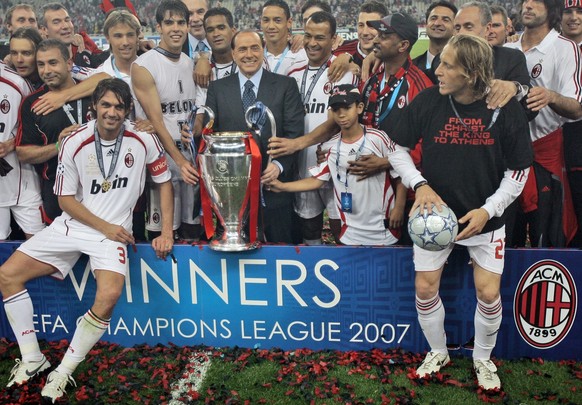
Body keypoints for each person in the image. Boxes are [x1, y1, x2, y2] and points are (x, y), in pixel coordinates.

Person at [0, 78, 173, 402]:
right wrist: (105, 227)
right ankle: (32, 359)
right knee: (7, 275)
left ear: (127, 110)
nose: (111, 112)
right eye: (105, 105)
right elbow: (65, 201)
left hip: (112, 234)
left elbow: (164, 182)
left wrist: (166, 232)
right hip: (75, 224)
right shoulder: (74, 141)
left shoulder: (144, 139)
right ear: (94, 106)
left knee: (108, 296)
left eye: (119, 107)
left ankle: (63, 371)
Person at [386, 35, 533, 391]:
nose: (437, 70)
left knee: (487, 293)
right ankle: (438, 351)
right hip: (433, 217)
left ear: (470, 73)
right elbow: (395, 147)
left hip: (486, 217)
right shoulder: (429, 101)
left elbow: (518, 171)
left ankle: (482, 357)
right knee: (424, 288)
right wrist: (420, 184)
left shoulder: (505, 107)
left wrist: (487, 211)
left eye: (448, 65)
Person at [205, 30, 304, 243]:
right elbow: (211, 137)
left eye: (254, 48)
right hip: (233, 194)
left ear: (263, 50)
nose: (249, 54)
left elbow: (295, 134)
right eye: (242, 49)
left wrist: (278, 165)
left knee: (279, 251)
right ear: (233, 53)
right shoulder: (217, 89)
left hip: (274, 188)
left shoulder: (286, 85)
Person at [268, 84, 398, 246]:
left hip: (382, 225)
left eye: (346, 108)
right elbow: (317, 180)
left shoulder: (377, 138)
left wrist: (398, 207)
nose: (341, 114)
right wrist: (282, 186)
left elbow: (401, 169)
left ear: (359, 108)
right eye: (336, 110)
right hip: (352, 227)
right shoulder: (329, 147)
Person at [505, 0, 582, 247]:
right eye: (525, 1)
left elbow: (577, 108)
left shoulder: (565, 48)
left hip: (545, 156)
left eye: (536, 2)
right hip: (506, 156)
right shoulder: (508, 47)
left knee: (545, 234)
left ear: (551, 9)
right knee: (508, 234)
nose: (528, 6)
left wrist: (551, 96)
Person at [131, 0, 200, 242]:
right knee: (161, 234)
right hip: (163, 164)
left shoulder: (190, 64)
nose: (176, 28)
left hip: (190, 161)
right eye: (169, 22)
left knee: (192, 232)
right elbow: (156, 122)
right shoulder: (143, 66)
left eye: (181, 22)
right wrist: (179, 161)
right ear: (158, 27)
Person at [287, 11, 357, 245]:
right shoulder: (293, 74)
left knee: (340, 225)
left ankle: (342, 273)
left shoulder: (341, 72)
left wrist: (298, 143)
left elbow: (334, 122)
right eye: (308, 36)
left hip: (332, 160)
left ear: (334, 40)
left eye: (320, 37)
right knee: (309, 224)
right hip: (302, 161)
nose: (312, 43)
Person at [15, 39, 93, 224]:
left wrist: (64, 96)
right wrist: (59, 145)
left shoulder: (93, 90)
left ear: (68, 64)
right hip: (58, 191)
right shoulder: (32, 103)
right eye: (41, 65)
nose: (46, 71)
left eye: (53, 63)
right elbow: (23, 153)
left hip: (98, 186)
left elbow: (108, 78)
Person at [0, 61, 44, 240]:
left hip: (24, 179)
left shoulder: (16, 82)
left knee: (40, 246)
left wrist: (12, 143)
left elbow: (36, 124)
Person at [561, 0, 582, 247]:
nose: (574, 17)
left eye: (579, 11)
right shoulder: (551, 49)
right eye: (568, 11)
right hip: (549, 137)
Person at [38, 3, 102, 68]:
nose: (65, 26)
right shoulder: (40, 58)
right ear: (44, 30)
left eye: (67, 20)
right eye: (57, 22)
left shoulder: (85, 43)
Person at [412, 1, 457, 82]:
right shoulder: (411, 67)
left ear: (455, 28)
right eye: (433, 18)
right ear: (426, 24)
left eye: (445, 20)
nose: (437, 23)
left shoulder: (463, 68)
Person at [261, 0, 307, 75]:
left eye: (277, 20)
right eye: (266, 20)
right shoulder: (253, 56)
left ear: (289, 22)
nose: (271, 26)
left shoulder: (303, 56)